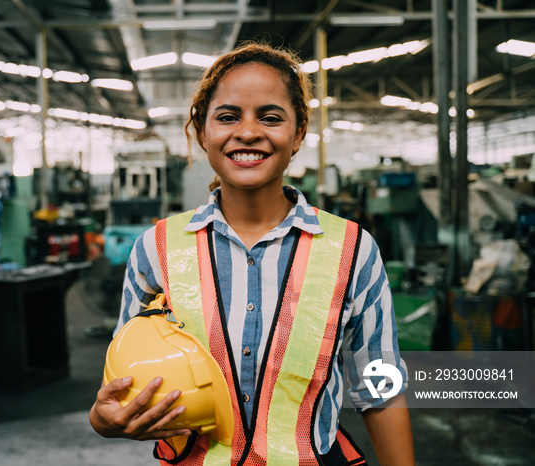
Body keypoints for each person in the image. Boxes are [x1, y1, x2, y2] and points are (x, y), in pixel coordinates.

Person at [90, 41, 415, 465]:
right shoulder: (156, 248)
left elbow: (380, 391)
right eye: (227, 117)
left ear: (298, 133)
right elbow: (125, 380)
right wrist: (103, 419)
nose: (247, 131)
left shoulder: (353, 250)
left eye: (270, 117)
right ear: (202, 132)